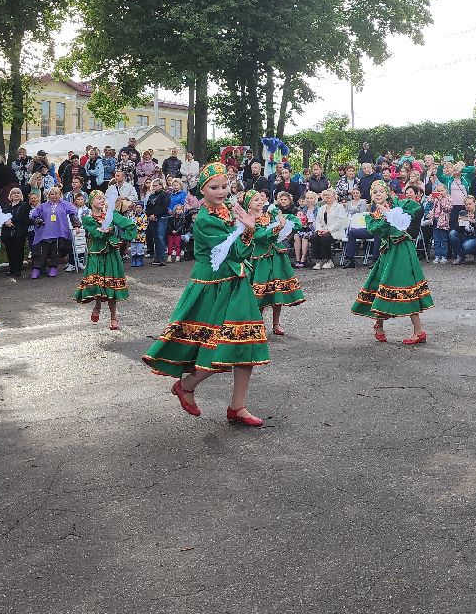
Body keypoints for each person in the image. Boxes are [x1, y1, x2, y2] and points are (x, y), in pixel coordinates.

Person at [142, 162, 270, 426]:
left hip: (237, 282)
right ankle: (187, 385)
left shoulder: (227, 210)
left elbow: (242, 253)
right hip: (214, 286)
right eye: (214, 187)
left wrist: (247, 228)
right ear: (202, 189)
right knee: (215, 344)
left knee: (246, 342)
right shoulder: (205, 220)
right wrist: (248, 229)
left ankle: (238, 406)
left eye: (224, 186)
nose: (221, 191)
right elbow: (234, 252)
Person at [350, 180, 432, 344]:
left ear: (387, 193)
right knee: (380, 285)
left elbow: (416, 208)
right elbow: (376, 229)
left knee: (407, 286)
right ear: (371, 196)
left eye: (381, 191)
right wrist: (386, 215)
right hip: (388, 251)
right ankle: (379, 326)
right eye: (375, 192)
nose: (378, 194)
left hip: (403, 249)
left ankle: (419, 331)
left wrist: (394, 210)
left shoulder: (398, 203)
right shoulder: (373, 215)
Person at [74, 190, 135, 330]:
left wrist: (123, 239)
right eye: (98, 198)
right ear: (91, 202)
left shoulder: (111, 214)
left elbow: (130, 225)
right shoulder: (87, 217)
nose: (102, 200)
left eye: (103, 198)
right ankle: (97, 306)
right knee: (97, 283)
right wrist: (107, 231)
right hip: (96, 254)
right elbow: (97, 233)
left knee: (111, 285)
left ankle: (114, 317)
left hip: (111, 253)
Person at [248, 190, 305, 337]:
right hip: (260, 259)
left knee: (277, 290)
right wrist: (278, 227)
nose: (260, 202)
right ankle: (258, 323)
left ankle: (276, 323)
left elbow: (295, 222)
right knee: (260, 292)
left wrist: (287, 221)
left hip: (277, 256)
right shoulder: (248, 220)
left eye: (261, 199)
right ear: (248, 204)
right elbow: (260, 236)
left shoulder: (270, 215)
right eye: (255, 200)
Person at [29, 186, 78, 278]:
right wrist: (38, 220)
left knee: (55, 251)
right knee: (41, 252)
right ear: (48, 195)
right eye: (52, 194)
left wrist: (76, 225)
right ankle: (36, 269)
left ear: (60, 195)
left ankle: (53, 268)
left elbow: (73, 214)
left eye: (56, 194)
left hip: (59, 231)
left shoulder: (65, 204)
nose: (54, 196)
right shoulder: (42, 206)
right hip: (44, 232)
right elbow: (34, 216)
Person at [0, 186, 31, 279]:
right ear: (10, 196)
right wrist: (5, 222)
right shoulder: (6, 206)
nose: (16, 194)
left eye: (18, 193)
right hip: (8, 232)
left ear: (21, 195)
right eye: (14, 193)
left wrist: (11, 221)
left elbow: (23, 217)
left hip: (19, 232)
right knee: (10, 251)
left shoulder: (24, 205)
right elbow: (2, 216)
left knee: (18, 251)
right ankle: (12, 269)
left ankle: (17, 270)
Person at [312, 188, 348, 269]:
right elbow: (317, 221)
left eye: (329, 195)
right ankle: (318, 260)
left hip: (336, 231)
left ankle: (328, 260)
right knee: (314, 236)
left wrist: (327, 230)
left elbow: (338, 222)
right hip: (322, 230)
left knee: (325, 237)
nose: (327, 196)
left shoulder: (340, 207)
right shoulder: (321, 208)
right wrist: (319, 230)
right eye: (325, 195)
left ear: (334, 196)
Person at [448, 194, 476, 264]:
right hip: (465, 236)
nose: (468, 206)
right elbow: (458, 230)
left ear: (475, 203)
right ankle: (460, 256)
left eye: (470, 204)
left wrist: (474, 222)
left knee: (466, 246)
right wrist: (459, 224)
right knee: (452, 233)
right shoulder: (462, 213)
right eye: (466, 204)